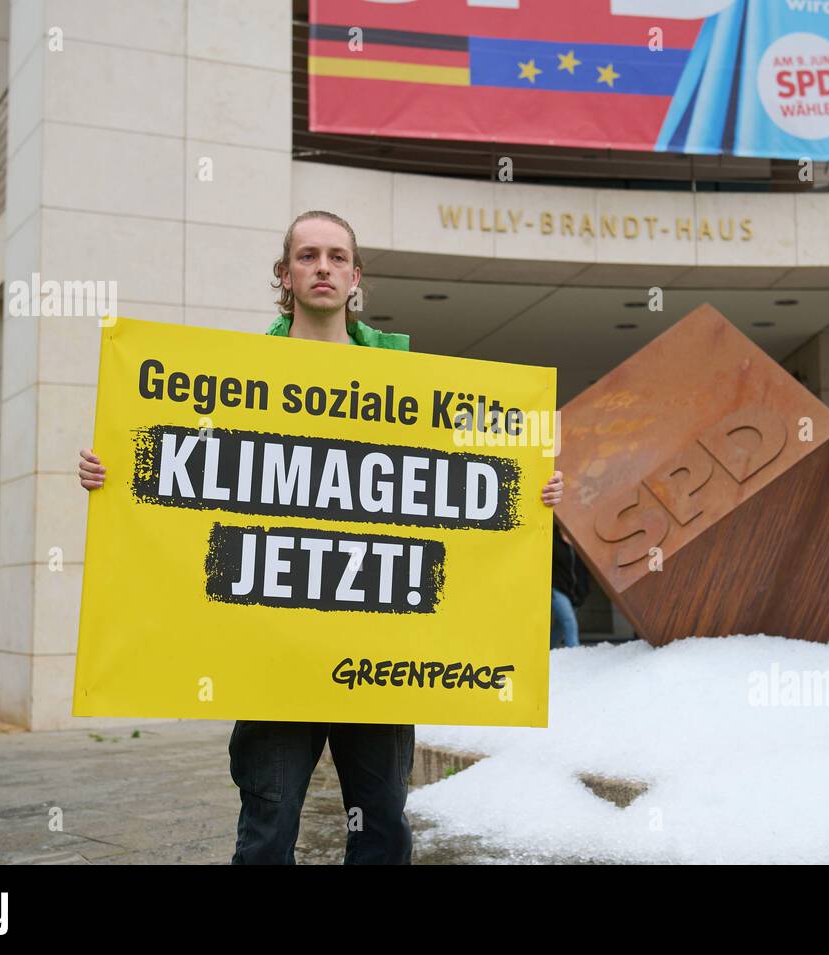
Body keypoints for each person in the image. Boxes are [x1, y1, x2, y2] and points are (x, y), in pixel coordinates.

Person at [77, 210, 564, 864]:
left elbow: (461, 483)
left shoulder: (406, 377)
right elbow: (176, 469)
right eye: (308, 256)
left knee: (383, 823)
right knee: (269, 823)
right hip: (275, 655)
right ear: (285, 274)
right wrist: (112, 473)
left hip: (379, 655)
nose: (323, 267)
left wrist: (533, 492)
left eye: (337, 256)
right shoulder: (237, 374)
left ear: (356, 275)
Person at [550, 519, 588, 649]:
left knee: (561, 626)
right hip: (557, 588)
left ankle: (547, 651)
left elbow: (582, 568)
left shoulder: (577, 540)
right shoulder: (552, 540)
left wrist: (584, 589)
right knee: (569, 621)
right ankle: (574, 655)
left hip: (575, 591)